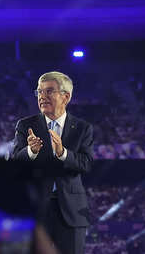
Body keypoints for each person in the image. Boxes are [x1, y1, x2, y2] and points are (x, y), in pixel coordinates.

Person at [12, 71, 94, 254]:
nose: (42, 97)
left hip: (71, 212)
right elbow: (14, 163)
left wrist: (63, 153)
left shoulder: (83, 128)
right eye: (39, 92)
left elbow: (86, 163)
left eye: (49, 91)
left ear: (66, 96)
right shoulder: (26, 125)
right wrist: (31, 151)